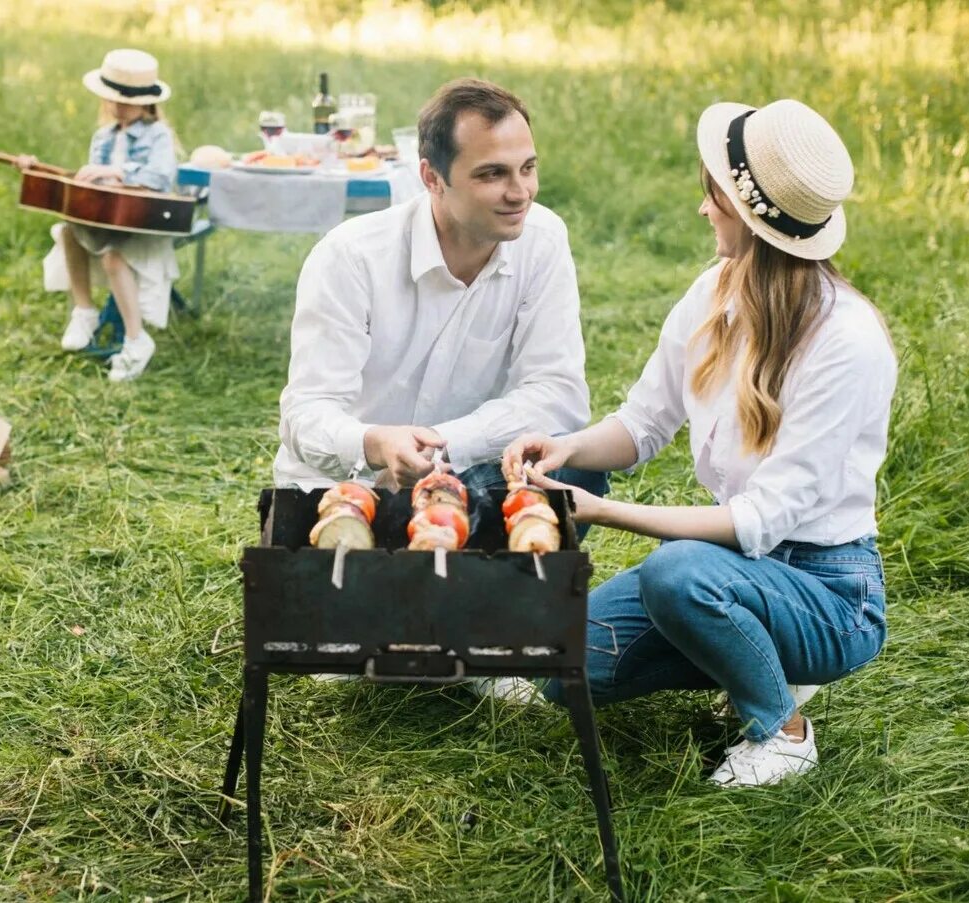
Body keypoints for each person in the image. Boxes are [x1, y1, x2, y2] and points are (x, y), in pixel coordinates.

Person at [503, 98, 896, 786]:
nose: (702, 209)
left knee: (675, 572)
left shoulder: (846, 343)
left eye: (712, 195)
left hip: (829, 592)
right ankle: (747, 652)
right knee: (562, 668)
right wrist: (564, 448)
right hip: (734, 572)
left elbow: (759, 520)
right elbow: (642, 424)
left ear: (747, 217)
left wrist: (599, 511)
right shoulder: (714, 293)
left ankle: (782, 728)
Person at [274, 78, 604, 505]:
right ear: (432, 177)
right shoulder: (350, 256)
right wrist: (377, 445)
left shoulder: (543, 239)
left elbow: (559, 394)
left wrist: (440, 443)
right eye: (492, 174)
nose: (520, 192)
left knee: (578, 464)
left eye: (528, 167)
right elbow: (306, 415)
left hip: (466, 472)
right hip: (349, 487)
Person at [19, 48, 180, 382]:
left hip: (145, 221)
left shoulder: (158, 135)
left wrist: (119, 171)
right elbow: (95, 189)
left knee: (113, 258)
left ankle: (137, 340)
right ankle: (85, 312)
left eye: (126, 100)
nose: (117, 106)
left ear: (145, 102)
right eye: (112, 99)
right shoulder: (103, 136)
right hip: (108, 219)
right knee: (66, 231)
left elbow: (162, 176)